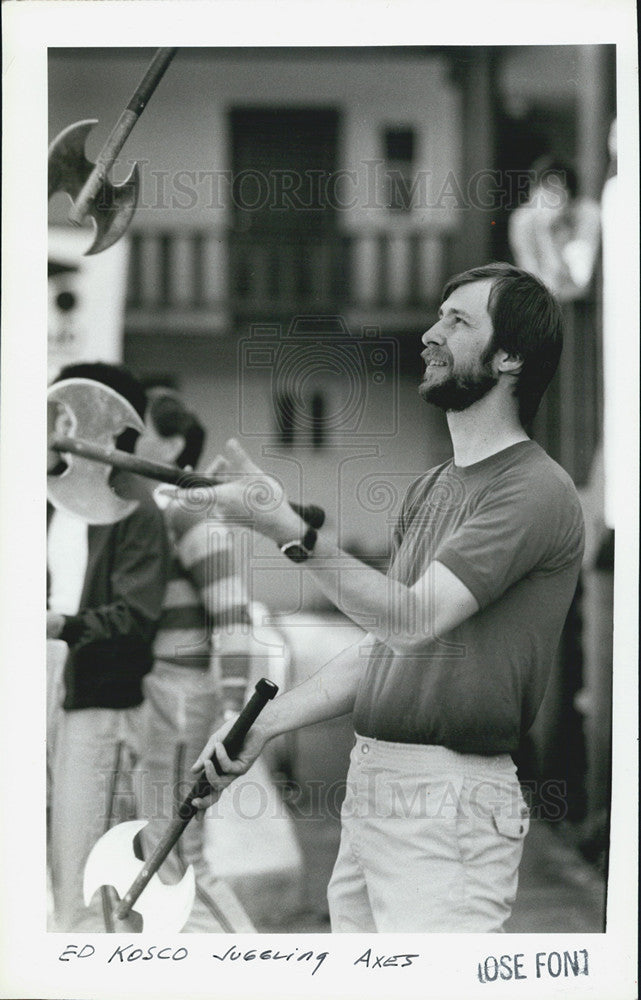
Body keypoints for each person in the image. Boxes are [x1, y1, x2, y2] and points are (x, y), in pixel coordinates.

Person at [185, 262, 585, 933]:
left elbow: (412, 620)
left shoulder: (533, 489)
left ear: (510, 357)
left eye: (458, 321)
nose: (431, 333)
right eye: (437, 315)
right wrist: (263, 724)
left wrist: (286, 529)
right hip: (375, 785)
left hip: (447, 799)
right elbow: (382, 647)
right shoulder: (432, 488)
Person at [47, 362, 169, 932]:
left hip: (100, 704)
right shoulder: (49, 497)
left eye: (68, 410)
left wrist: (59, 626)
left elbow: (135, 617)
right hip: (48, 694)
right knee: (51, 871)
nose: (55, 421)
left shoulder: (133, 505)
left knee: (87, 872)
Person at [133, 387, 256, 932]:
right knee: (148, 857)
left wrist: (234, 712)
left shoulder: (187, 509)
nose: (125, 437)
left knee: (177, 860)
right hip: (146, 700)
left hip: (181, 700)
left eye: (139, 428)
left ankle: (254, 966)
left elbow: (233, 617)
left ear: (173, 442)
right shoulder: (144, 510)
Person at [508, 156, 600, 302]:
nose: (546, 201)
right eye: (541, 193)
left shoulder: (587, 214)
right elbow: (535, 283)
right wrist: (544, 230)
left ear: (570, 196)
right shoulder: (523, 220)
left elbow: (580, 285)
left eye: (554, 193)